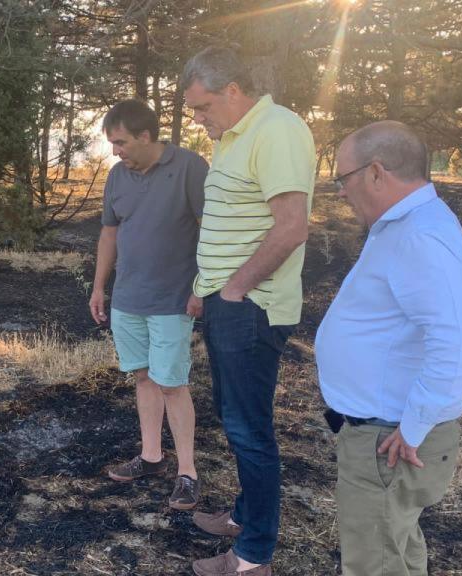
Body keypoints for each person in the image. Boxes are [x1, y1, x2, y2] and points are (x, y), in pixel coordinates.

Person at [316, 120, 462, 576]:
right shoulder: (407, 226)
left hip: (389, 442)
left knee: (375, 562)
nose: (341, 191)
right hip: (385, 436)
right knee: (397, 550)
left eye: (343, 178)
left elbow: (459, 340)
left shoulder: (418, 236)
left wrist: (414, 426)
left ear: (376, 172)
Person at [181, 46, 315, 576]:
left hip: (252, 306)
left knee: (249, 429)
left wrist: (235, 289)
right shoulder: (233, 138)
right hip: (226, 301)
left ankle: (253, 556)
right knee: (234, 417)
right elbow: (228, 224)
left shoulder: (277, 129)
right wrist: (204, 289)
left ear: (233, 91)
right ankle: (243, 516)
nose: (198, 118)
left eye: (203, 106)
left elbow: (292, 227)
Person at [90, 99, 208, 510]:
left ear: (145, 136)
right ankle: (152, 456)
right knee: (143, 377)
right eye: (112, 143)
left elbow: (211, 228)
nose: (115, 150)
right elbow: (109, 233)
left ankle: (188, 472)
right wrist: (99, 287)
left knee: (172, 383)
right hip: (128, 299)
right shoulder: (117, 176)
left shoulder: (190, 167)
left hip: (173, 300)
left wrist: (202, 287)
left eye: (121, 142)